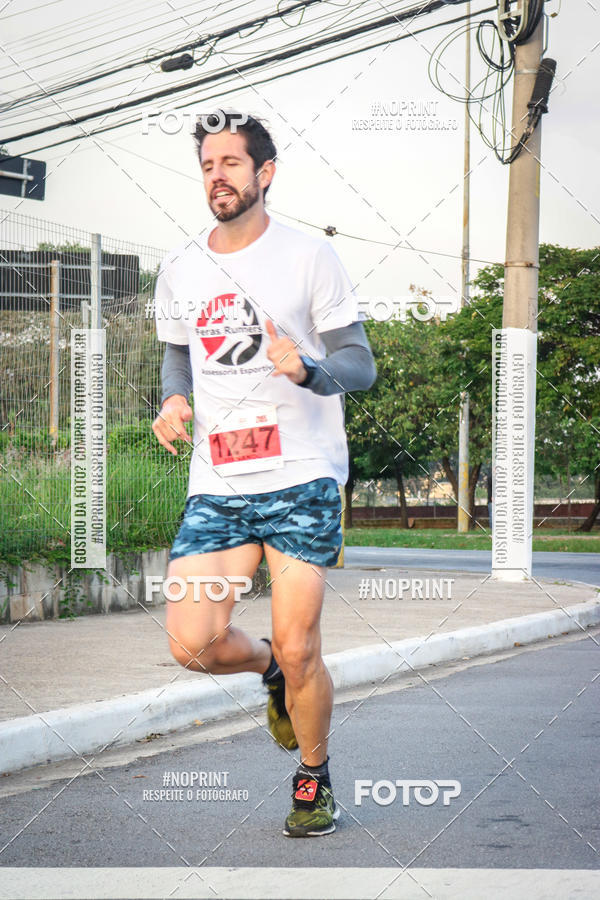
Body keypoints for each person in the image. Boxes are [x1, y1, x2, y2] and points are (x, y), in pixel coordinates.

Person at [152, 111, 376, 837]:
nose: (217, 176)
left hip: (302, 473)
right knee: (192, 643)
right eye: (207, 165)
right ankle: (269, 670)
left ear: (264, 173)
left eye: (231, 163)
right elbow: (178, 353)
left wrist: (307, 368)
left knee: (303, 641)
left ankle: (313, 779)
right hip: (219, 478)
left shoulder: (310, 256)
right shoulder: (181, 265)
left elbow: (359, 365)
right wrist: (173, 399)